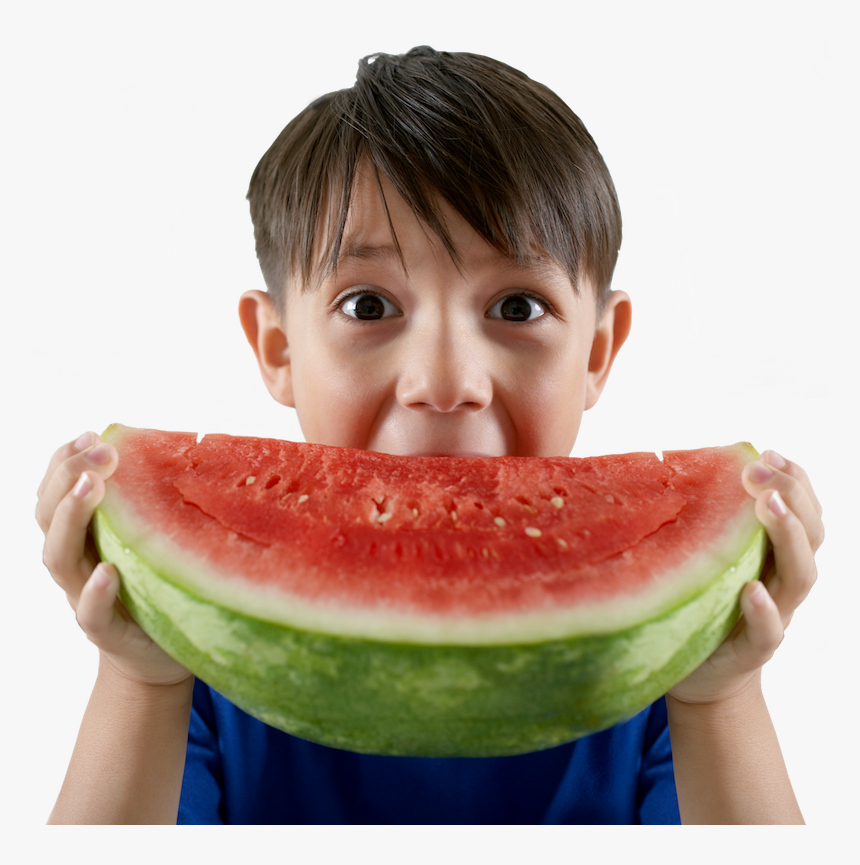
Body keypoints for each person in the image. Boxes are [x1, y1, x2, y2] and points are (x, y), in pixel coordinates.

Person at [36, 46, 822, 824]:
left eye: (516, 308)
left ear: (596, 350)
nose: (445, 383)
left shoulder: (655, 663)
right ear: (277, 349)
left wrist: (721, 694)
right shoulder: (202, 657)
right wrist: (139, 678)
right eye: (369, 307)